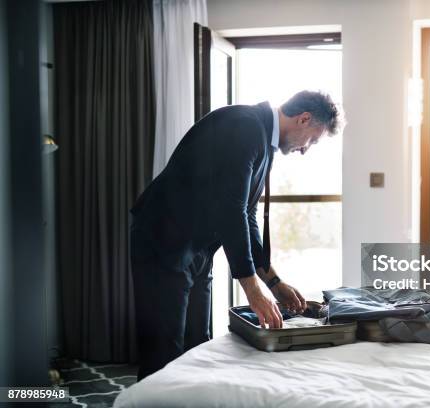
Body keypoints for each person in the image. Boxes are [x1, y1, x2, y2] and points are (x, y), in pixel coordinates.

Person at [129, 90, 341, 380]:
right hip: (163, 242)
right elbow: (231, 210)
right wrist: (252, 290)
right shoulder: (245, 126)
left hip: (198, 249)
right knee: (163, 351)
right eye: (313, 139)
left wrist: (273, 282)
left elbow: (248, 215)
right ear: (304, 119)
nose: (307, 148)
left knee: (197, 345)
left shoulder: (264, 138)